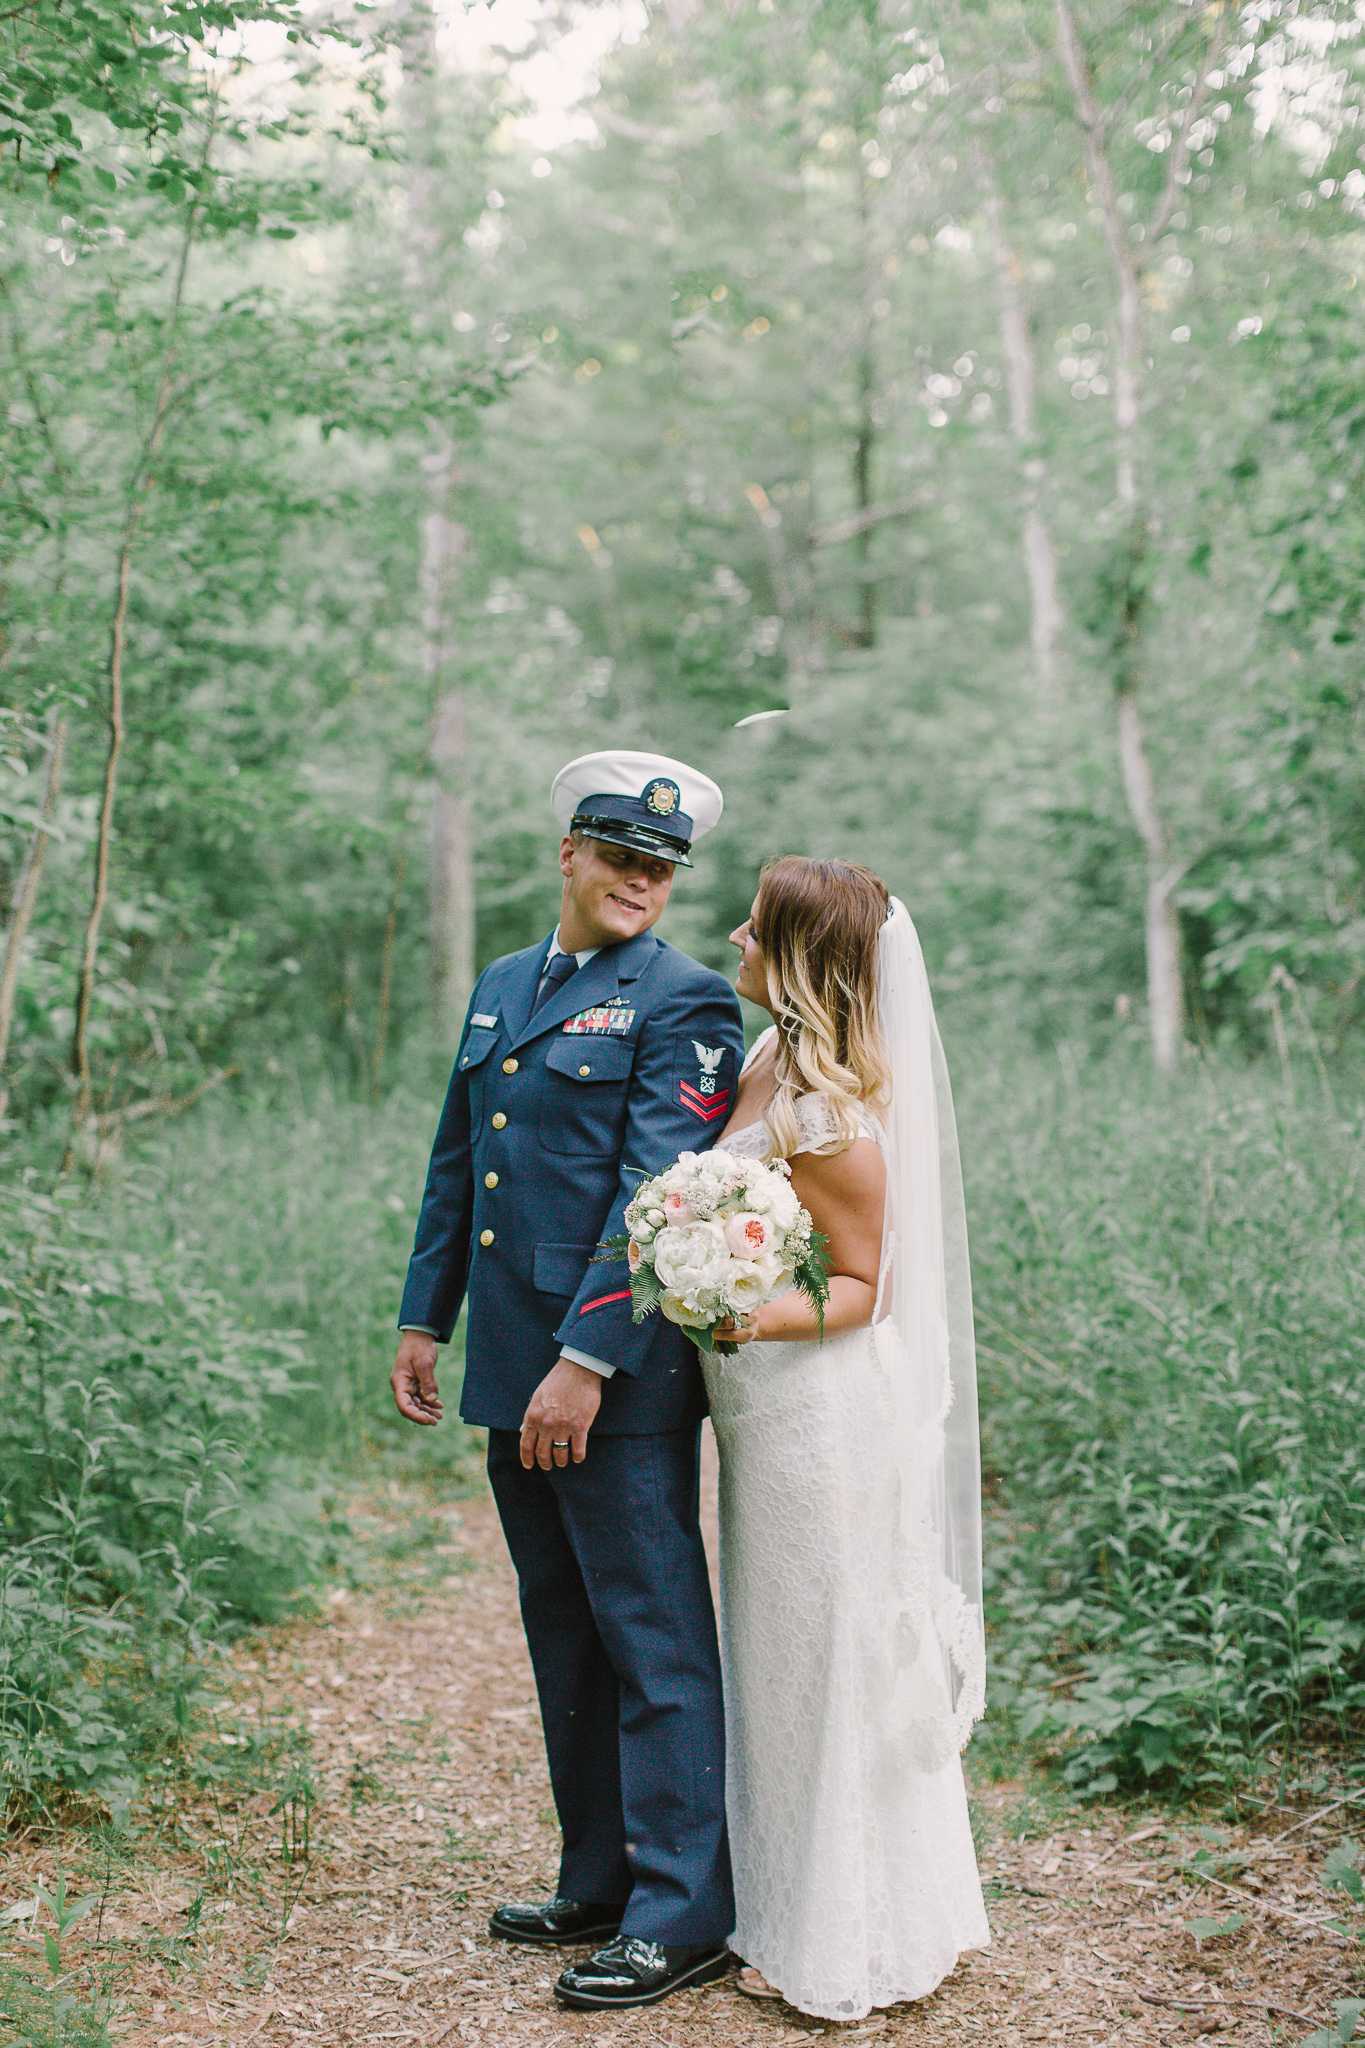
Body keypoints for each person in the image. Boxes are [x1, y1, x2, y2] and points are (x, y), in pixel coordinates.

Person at [392, 751, 746, 2014]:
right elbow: (458, 1165)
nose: (641, 880)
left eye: (662, 866)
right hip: (507, 1365)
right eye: (621, 858)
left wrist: (586, 1360)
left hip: (612, 1378)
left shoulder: (688, 1000)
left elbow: (658, 1199)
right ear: (571, 855)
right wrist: (422, 1318)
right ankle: (599, 1875)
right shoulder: (502, 984)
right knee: (566, 1635)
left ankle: (681, 1911)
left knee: (653, 1640)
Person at [703, 855, 990, 2021]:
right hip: (767, 1407)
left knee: (826, 1652)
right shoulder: (773, 1058)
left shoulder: (828, 1112)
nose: (733, 935)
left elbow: (870, 1284)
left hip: (819, 1406)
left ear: (800, 955)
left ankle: (845, 1931)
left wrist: (734, 1312)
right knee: (779, 1649)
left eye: (756, 925)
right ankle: (786, 1898)